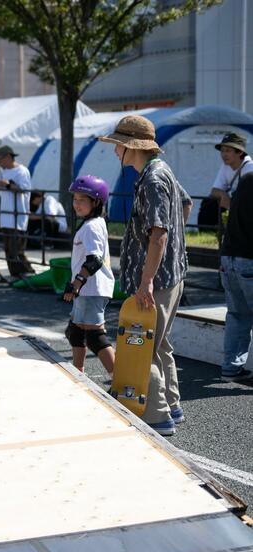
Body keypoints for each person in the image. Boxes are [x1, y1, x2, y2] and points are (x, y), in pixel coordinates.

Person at [99, 114, 189, 436]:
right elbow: (186, 205)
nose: (114, 151)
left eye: (117, 145)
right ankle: (173, 405)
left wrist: (146, 279)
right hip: (172, 274)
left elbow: (159, 234)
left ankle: (158, 415)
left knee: (142, 346)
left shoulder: (151, 180)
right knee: (160, 342)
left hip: (157, 281)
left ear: (129, 147)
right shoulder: (161, 172)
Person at [62, 176, 116, 375]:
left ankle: (121, 381)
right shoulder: (95, 222)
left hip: (91, 289)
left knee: (94, 336)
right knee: (75, 332)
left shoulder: (92, 227)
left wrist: (76, 283)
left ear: (96, 202)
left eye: (82, 200)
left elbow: (94, 260)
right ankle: (78, 373)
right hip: (89, 289)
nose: (76, 204)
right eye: (75, 199)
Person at [219, 172, 253, 384]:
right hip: (249, 258)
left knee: (236, 315)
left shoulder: (247, 179)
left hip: (229, 256)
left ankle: (231, 368)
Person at [0, 145, 33, 277]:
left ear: (8, 157)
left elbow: (24, 190)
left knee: (17, 249)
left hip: (18, 215)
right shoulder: (4, 172)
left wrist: (7, 184)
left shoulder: (22, 171)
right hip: (6, 215)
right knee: (8, 249)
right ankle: (16, 275)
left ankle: (28, 273)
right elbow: (0, 186)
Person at [200, 132, 253, 232]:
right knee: (208, 203)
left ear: (240, 152)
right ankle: (206, 231)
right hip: (235, 203)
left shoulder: (250, 168)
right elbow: (214, 191)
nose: (224, 155)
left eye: (228, 151)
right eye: (222, 151)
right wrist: (223, 195)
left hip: (247, 207)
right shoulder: (226, 166)